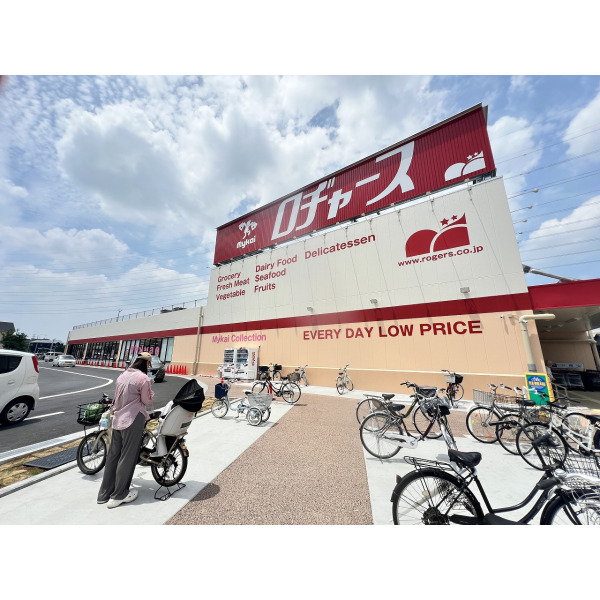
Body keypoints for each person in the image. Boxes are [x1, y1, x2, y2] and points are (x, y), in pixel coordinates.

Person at [97, 352, 155, 508]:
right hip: (133, 419)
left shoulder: (122, 376)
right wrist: (150, 388)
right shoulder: (143, 378)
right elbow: (145, 400)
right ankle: (119, 495)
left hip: (118, 419)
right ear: (147, 364)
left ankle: (104, 494)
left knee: (113, 456)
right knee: (127, 457)